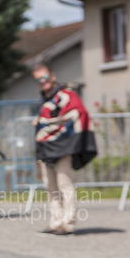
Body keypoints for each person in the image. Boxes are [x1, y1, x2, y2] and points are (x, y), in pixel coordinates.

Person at [32, 64, 97, 235]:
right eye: (38, 80)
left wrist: (47, 126)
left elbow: (76, 114)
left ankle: (68, 223)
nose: (42, 82)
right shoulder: (44, 100)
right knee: (50, 185)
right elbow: (47, 121)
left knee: (64, 183)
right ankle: (56, 221)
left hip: (63, 146)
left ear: (52, 76)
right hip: (47, 149)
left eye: (44, 78)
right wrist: (40, 122)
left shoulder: (65, 95)